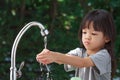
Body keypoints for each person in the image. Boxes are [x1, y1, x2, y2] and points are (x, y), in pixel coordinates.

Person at [36, 9, 116, 80]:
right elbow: (63, 59)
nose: (87, 37)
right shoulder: (79, 52)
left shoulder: (104, 55)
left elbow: (83, 63)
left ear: (107, 38)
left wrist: (55, 56)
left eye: (94, 34)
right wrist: (48, 56)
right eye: (84, 32)